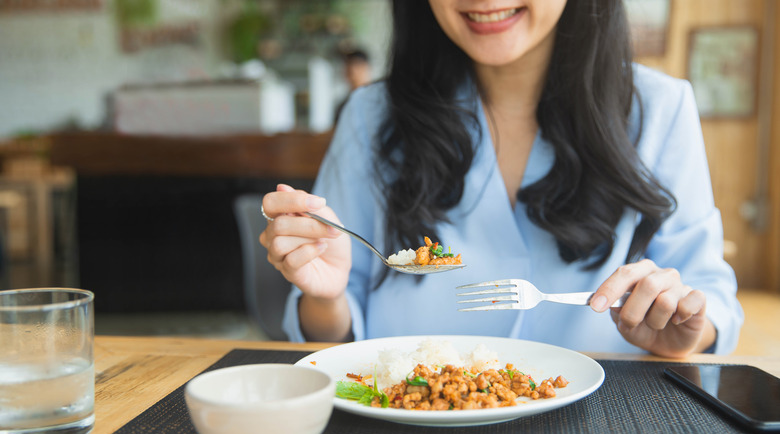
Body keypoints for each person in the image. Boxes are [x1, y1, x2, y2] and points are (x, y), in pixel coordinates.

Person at [260, 0, 743, 357]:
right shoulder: (370, 116)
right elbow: (330, 337)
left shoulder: (660, 108)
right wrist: (325, 299)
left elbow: (709, 295)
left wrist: (689, 329)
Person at [334, 49, 372, 123]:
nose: (348, 68)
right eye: (346, 63)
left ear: (365, 66)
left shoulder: (375, 100)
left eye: (353, 63)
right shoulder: (344, 104)